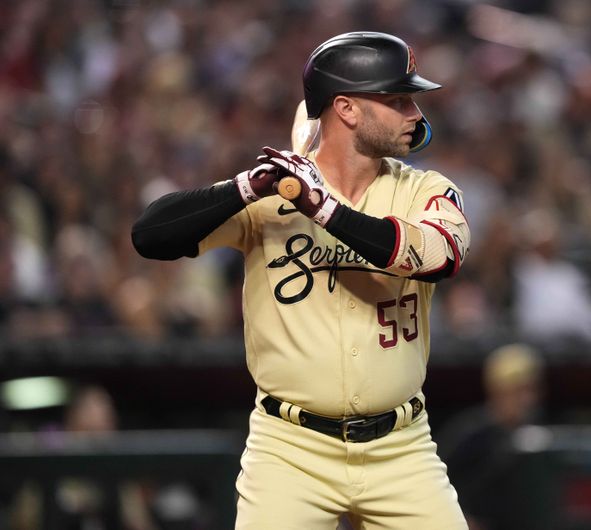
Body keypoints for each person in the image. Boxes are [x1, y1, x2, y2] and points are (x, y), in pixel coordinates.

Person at [132, 31, 470, 529]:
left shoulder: (425, 190)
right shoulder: (271, 199)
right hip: (290, 451)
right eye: (397, 99)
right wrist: (249, 186)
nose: (415, 114)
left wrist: (326, 210)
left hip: (401, 448)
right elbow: (150, 235)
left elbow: (440, 256)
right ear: (347, 109)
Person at [437, 343, 546, 529]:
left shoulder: (538, 434)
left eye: (531, 390)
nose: (527, 400)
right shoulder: (472, 433)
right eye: (517, 391)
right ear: (497, 391)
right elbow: (438, 482)